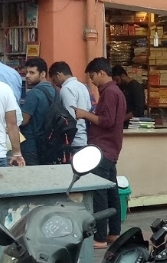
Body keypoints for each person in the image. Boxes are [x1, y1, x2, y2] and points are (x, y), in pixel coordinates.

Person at [74, 58, 126, 248]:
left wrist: (84, 114)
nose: (92, 81)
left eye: (92, 76)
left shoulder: (110, 93)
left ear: (102, 73)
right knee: (111, 190)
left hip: (102, 149)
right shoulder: (115, 92)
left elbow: (107, 121)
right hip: (110, 148)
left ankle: (100, 237)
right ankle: (113, 233)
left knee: (99, 192)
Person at [48, 61, 91, 151]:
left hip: (73, 140)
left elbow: (69, 117)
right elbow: (88, 108)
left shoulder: (66, 89)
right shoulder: (82, 86)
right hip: (84, 137)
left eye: (54, 79)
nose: (54, 84)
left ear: (59, 74)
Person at [22, 57, 56, 166]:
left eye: (32, 73)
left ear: (42, 74)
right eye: (26, 72)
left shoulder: (34, 93)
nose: (27, 76)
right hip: (49, 141)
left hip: (31, 143)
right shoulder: (56, 91)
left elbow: (24, 120)